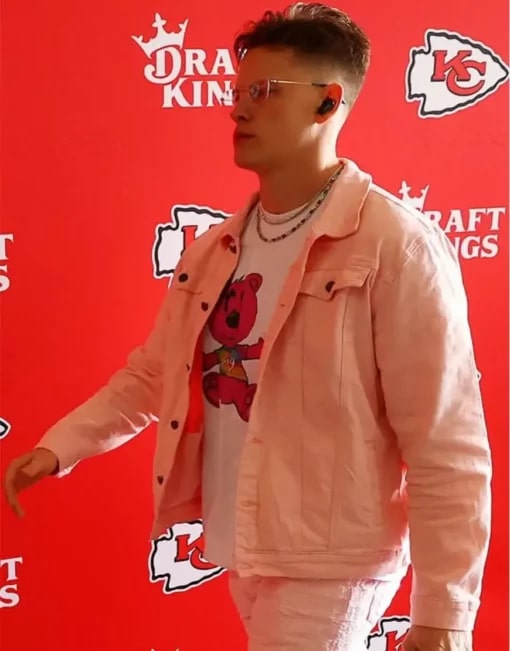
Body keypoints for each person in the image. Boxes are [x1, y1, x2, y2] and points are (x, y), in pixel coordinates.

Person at [3, 3, 491, 650]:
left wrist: (445, 615)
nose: (238, 110)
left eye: (264, 92)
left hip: (329, 559)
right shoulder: (216, 249)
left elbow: (445, 441)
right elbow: (154, 375)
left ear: (326, 102)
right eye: (237, 93)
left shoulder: (394, 245)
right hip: (244, 539)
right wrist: (60, 446)